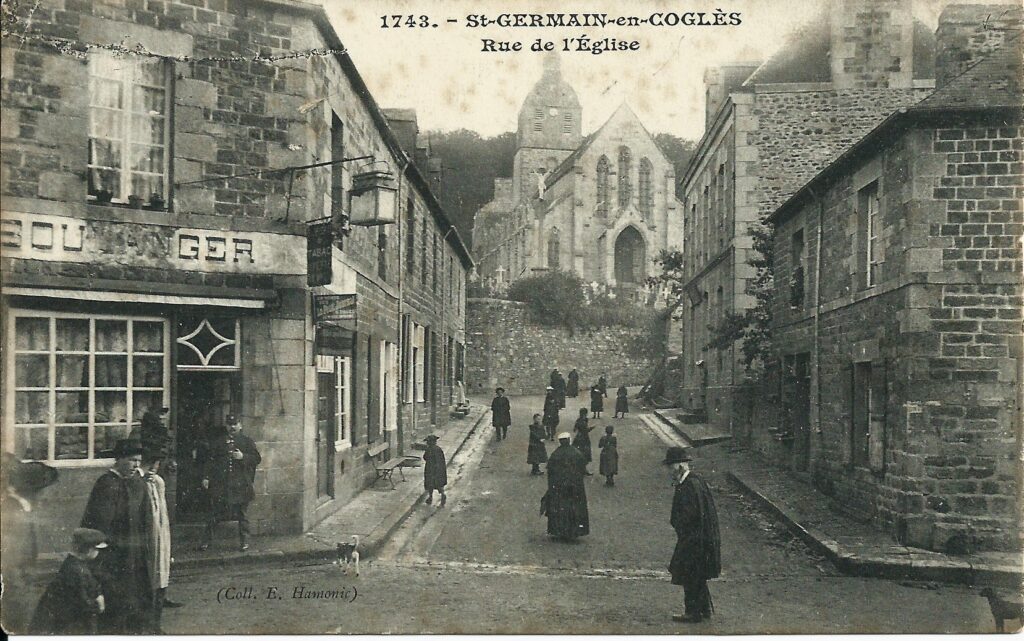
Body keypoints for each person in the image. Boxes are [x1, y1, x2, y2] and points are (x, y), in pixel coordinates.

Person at [80, 439, 154, 633]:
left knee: (134, 600)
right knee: (114, 603)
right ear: (119, 459)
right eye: (131, 460)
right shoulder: (106, 484)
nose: (136, 465)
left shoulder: (136, 484)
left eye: (138, 461)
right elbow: (97, 524)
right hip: (113, 555)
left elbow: (145, 519)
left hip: (134, 553)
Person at [1, 454, 59, 633]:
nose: (49, 496)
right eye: (47, 490)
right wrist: (19, 605)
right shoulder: (14, 514)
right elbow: (11, 566)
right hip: (15, 596)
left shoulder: (21, 509)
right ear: (34, 490)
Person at [665, 446, 721, 623]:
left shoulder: (689, 486)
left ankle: (692, 612)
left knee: (689, 574)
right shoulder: (695, 481)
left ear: (680, 466)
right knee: (697, 574)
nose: (670, 471)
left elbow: (689, 516)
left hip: (693, 539)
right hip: (699, 538)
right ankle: (703, 609)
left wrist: (680, 528)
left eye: (672, 467)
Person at [200, 415, 261, 552]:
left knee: (242, 515)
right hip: (222, 483)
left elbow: (257, 459)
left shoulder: (247, 442)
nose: (232, 427)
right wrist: (206, 477)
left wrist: (243, 457)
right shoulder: (218, 442)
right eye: (229, 424)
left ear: (240, 425)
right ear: (226, 426)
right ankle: (206, 541)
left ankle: (245, 541)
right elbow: (210, 461)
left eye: (235, 424)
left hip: (241, 484)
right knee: (215, 513)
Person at [30, 528, 107, 634]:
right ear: (89, 550)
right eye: (96, 549)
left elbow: (91, 584)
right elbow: (82, 602)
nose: (98, 552)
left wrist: (98, 593)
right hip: (68, 623)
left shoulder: (73, 564)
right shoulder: (77, 570)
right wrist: (98, 606)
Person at [141, 446, 179, 632]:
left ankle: (155, 622)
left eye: (156, 464)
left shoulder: (157, 482)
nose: (153, 468)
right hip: (146, 536)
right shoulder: (139, 484)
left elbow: (161, 513)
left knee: (160, 575)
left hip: (159, 533)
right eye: (150, 464)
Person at [542, 432, 589, 541]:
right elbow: (583, 468)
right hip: (575, 487)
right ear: (569, 440)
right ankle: (573, 531)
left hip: (559, 487)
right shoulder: (576, 453)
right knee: (574, 508)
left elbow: (550, 471)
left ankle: (560, 531)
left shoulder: (556, 454)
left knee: (560, 508)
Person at [423, 435, 447, 506]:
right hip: (438, 470)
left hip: (431, 470)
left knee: (430, 484)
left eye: (428, 442)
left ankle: (431, 497)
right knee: (438, 484)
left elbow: (425, 457)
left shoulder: (429, 449)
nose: (427, 443)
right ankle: (442, 494)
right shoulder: (438, 449)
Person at [571, 408, 595, 475]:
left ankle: (579, 469)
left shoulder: (579, 420)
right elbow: (585, 430)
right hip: (584, 438)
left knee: (579, 453)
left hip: (578, 438)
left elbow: (574, 430)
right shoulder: (583, 421)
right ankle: (583, 470)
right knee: (584, 453)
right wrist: (591, 428)